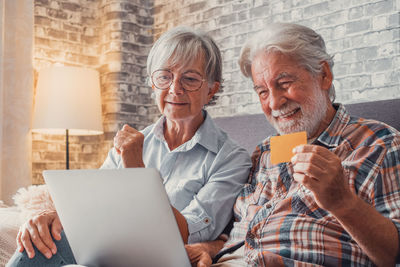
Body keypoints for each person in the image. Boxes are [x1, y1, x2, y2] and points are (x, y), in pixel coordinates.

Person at [7, 26, 252, 266]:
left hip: (160, 259)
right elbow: (91, 207)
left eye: (189, 79)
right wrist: (52, 218)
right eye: (164, 77)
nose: (175, 89)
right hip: (109, 247)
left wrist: (135, 169)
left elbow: (184, 235)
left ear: (211, 90)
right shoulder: (132, 141)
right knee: (43, 241)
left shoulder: (231, 159)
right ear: (153, 83)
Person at [186, 22, 400, 267]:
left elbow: (393, 255)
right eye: (262, 92)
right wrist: (210, 248)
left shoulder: (378, 144)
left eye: (284, 83)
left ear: (324, 75)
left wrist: (343, 202)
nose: (275, 103)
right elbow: (246, 230)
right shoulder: (264, 152)